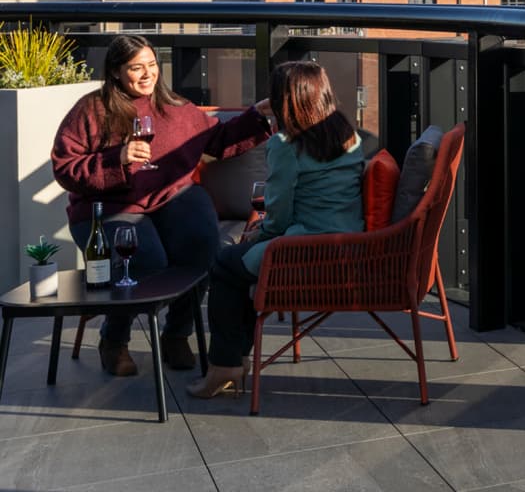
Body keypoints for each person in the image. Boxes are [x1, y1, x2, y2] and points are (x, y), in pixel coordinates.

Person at [52, 34, 273, 377]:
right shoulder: (91, 110)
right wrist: (116, 159)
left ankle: (176, 334)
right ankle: (114, 340)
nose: (147, 75)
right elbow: (65, 167)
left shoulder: (178, 109)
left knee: (204, 248)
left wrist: (257, 116)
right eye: (136, 68)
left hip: (171, 198)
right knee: (145, 259)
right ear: (115, 72)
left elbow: (218, 140)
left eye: (152, 65)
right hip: (109, 207)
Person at [188, 60, 365, 399]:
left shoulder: (286, 145)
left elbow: (279, 212)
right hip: (349, 244)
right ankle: (233, 363)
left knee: (224, 265)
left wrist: (261, 235)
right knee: (237, 265)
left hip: (303, 251)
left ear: (283, 101)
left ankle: (226, 367)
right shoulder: (347, 134)